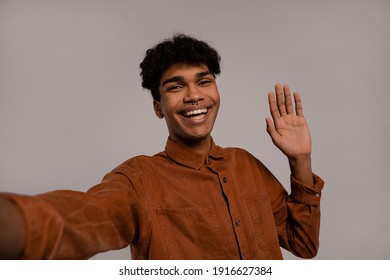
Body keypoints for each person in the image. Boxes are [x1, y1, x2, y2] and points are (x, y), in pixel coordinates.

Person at [0, 34, 324, 260]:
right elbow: (87, 216)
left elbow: (304, 243)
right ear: (158, 107)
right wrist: (17, 224)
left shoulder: (246, 164)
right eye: (175, 86)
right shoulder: (138, 179)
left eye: (204, 80)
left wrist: (301, 161)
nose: (194, 95)